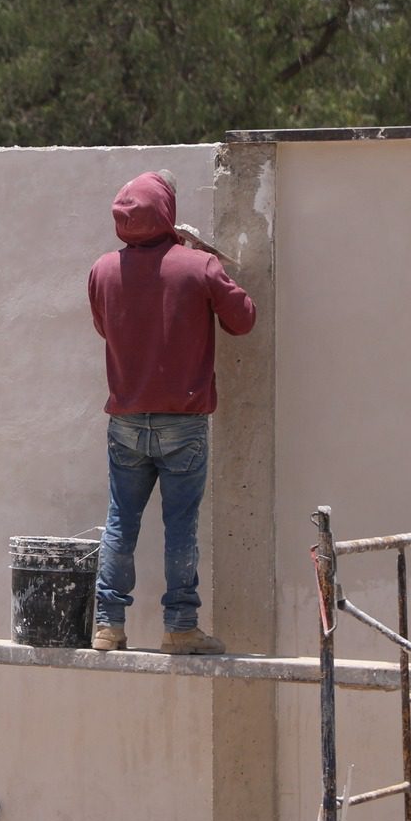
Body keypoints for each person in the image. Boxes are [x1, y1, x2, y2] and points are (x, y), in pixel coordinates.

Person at [87, 169, 257, 654]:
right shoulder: (196, 266)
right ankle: (180, 627)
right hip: (183, 424)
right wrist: (211, 265)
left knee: (121, 520)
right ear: (167, 213)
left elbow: (106, 328)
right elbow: (243, 320)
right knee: (179, 525)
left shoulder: (102, 270)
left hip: (125, 421)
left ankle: (107, 625)